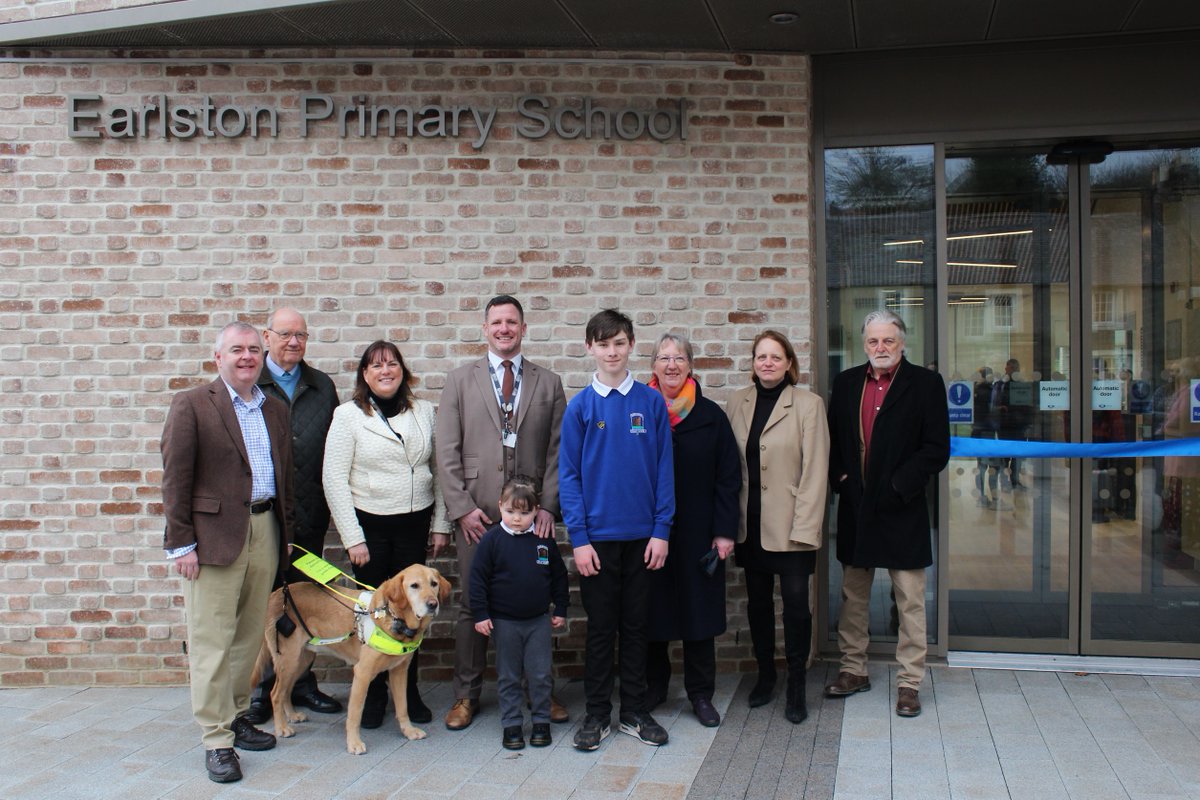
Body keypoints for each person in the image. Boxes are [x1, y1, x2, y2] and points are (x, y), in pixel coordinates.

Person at [160, 321, 292, 783]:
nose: (246, 357)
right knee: (212, 640)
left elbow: (285, 477)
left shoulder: (274, 409)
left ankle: (236, 715)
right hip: (213, 539)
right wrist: (181, 544)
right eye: (236, 349)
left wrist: (285, 534)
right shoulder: (193, 405)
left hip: (264, 529)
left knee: (248, 634)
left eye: (254, 349)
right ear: (218, 357)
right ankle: (216, 739)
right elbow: (175, 480)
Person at [435, 294, 568, 731]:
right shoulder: (459, 380)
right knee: (475, 605)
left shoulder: (548, 384)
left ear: (524, 328)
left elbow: (557, 453)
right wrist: (462, 509)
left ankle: (539, 694)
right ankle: (465, 696)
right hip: (478, 515)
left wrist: (548, 506)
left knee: (534, 604)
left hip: (531, 518)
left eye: (512, 322)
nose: (504, 329)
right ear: (485, 328)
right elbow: (446, 451)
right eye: (497, 322)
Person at [559, 308, 675, 751]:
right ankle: (597, 714)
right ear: (590, 348)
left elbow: (665, 469)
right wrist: (581, 540)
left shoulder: (649, 404)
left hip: (645, 539)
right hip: (598, 543)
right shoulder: (581, 407)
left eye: (619, 343)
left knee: (637, 627)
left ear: (631, 346)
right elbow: (569, 476)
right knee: (602, 628)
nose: (612, 351)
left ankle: (634, 712)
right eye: (603, 344)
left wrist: (661, 530)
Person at [825, 309, 949, 718]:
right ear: (864, 344)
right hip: (857, 507)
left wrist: (898, 486)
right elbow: (834, 443)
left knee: (910, 599)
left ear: (902, 343)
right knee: (853, 597)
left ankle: (910, 682)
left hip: (902, 508)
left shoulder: (926, 384)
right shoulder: (845, 384)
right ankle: (853, 669)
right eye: (874, 341)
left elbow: (936, 449)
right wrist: (842, 479)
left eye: (888, 341)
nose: (881, 348)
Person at [322, 340, 450, 729]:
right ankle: (373, 693)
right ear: (364, 374)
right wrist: (352, 537)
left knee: (414, 611)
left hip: (414, 524)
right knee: (374, 613)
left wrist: (441, 523)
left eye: (392, 364)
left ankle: (408, 691)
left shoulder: (425, 412)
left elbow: (440, 469)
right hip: (370, 528)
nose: (385, 371)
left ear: (403, 370)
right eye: (376, 365)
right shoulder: (347, 416)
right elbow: (333, 478)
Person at [726, 330, 830, 724]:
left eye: (775, 356)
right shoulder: (738, 401)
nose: (767, 363)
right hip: (750, 524)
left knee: (797, 609)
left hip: (792, 527)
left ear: (789, 363)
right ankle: (766, 675)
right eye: (760, 356)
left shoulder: (808, 404)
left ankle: (797, 682)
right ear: (753, 362)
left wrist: (806, 528)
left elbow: (816, 470)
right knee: (757, 605)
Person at [245, 307, 341, 724]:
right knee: (264, 604)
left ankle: (301, 683)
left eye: (301, 335)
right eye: (284, 334)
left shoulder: (322, 386)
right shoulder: (251, 383)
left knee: (302, 600)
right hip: (264, 518)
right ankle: (262, 690)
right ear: (267, 337)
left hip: (309, 516)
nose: (294, 342)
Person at [645, 332, 740, 728]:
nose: (671, 365)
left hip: (700, 532)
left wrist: (724, 531)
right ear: (653, 365)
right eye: (664, 358)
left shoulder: (710, 415)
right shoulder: (639, 411)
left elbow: (728, 477)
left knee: (699, 616)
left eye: (679, 358)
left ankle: (701, 693)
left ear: (690, 365)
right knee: (652, 613)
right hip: (651, 533)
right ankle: (654, 688)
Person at [470, 476, 569, 750]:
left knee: (540, 675)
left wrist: (560, 608)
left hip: (538, 621)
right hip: (504, 623)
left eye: (525, 513)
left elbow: (559, 577)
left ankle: (540, 722)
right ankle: (512, 725)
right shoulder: (492, 541)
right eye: (511, 511)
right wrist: (481, 614)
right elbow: (478, 580)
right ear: (500, 506)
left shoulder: (543, 541)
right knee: (508, 675)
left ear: (536, 510)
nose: (517, 518)